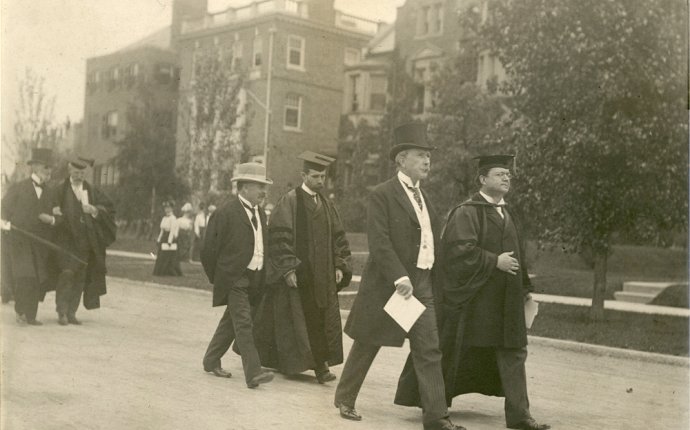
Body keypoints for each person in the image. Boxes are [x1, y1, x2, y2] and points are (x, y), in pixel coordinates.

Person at [395, 155, 550, 430]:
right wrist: (494, 261)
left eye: (508, 175)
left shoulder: (508, 213)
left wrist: (526, 290)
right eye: (500, 174)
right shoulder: (467, 212)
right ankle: (435, 408)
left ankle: (520, 416)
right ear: (482, 179)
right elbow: (458, 252)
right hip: (475, 301)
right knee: (455, 350)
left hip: (507, 300)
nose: (506, 178)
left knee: (514, 352)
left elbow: (519, 257)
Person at [334, 123, 466, 430]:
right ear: (401, 160)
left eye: (428, 156)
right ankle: (345, 397)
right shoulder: (382, 195)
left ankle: (436, 418)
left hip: (423, 283)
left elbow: (433, 241)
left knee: (429, 348)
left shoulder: (426, 199)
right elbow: (379, 242)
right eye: (420, 155)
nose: (427, 161)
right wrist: (399, 276)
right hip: (391, 285)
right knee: (370, 340)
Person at [255, 151, 352, 383]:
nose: (321, 181)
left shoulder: (327, 205)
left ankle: (321, 366)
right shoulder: (290, 201)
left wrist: (340, 265)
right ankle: (306, 365)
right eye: (316, 176)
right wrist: (288, 269)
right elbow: (278, 237)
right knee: (295, 319)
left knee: (319, 318)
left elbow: (339, 237)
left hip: (323, 275)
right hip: (300, 273)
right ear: (303, 175)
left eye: (323, 177)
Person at [201, 162, 275, 389]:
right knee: (244, 322)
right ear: (243, 188)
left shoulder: (260, 212)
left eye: (264, 186)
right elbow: (207, 250)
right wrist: (221, 277)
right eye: (258, 186)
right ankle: (253, 372)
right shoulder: (225, 212)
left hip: (255, 277)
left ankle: (211, 359)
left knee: (232, 321)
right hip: (234, 278)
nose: (263, 191)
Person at [53, 156, 116, 325]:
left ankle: (72, 312)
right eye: (76, 172)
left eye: (82, 172)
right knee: (67, 274)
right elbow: (50, 206)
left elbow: (109, 209)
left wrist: (95, 209)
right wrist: (55, 211)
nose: (79, 175)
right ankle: (62, 311)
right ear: (69, 171)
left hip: (86, 242)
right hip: (66, 242)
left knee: (80, 278)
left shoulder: (92, 190)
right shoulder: (60, 190)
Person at [1, 148, 60, 325]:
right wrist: (6, 226)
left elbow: (59, 217)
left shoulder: (51, 193)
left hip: (40, 243)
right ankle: (20, 311)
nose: (48, 171)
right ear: (34, 167)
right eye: (45, 167)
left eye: (50, 168)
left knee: (37, 278)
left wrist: (51, 220)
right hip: (19, 241)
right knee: (25, 275)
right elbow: (3, 210)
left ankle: (31, 315)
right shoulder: (19, 188)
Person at [153, 201, 182, 276]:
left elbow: (172, 230)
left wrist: (170, 241)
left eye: (169, 208)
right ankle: (160, 271)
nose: (167, 210)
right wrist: (159, 239)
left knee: (169, 256)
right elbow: (162, 230)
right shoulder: (164, 218)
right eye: (166, 208)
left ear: (172, 209)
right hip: (164, 237)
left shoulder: (173, 218)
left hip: (170, 238)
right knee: (161, 255)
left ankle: (169, 271)